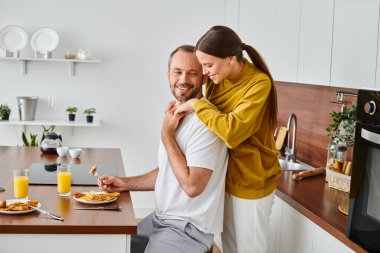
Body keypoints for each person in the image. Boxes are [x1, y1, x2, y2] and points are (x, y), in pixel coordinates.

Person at [98, 45, 228, 253]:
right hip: (160, 219)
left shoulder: (206, 122)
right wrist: (125, 183)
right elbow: (170, 172)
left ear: (204, 77)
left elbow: (192, 186)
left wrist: (166, 135)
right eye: (178, 72)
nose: (183, 79)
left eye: (193, 73)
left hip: (187, 229)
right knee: (110, 245)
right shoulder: (176, 114)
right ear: (168, 75)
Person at [173, 26, 282, 253]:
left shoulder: (258, 84)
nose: (204, 72)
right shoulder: (215, 78)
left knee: (249, 249)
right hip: (224, 177)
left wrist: (196, 104)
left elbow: (232, 131)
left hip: (251, 180)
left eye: (208, 65)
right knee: (229, 249)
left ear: (231, 59)